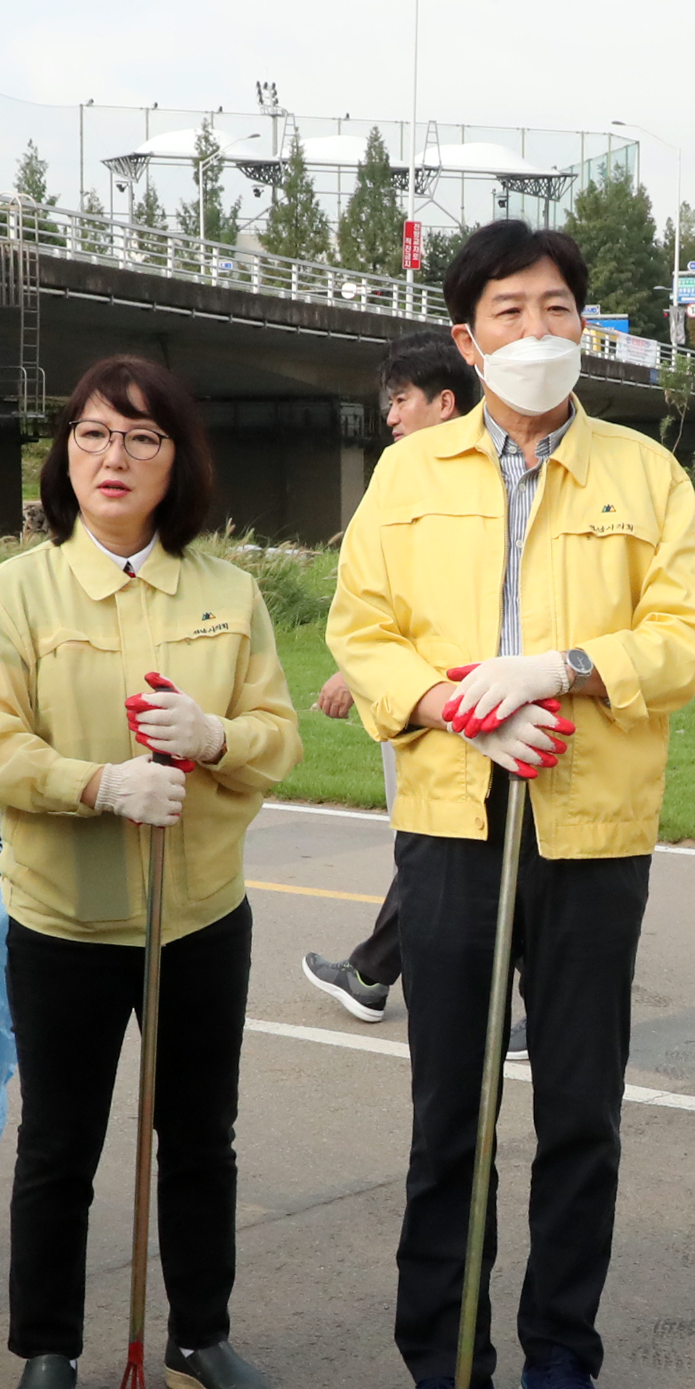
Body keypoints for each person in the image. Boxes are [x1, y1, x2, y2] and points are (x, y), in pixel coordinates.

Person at [327, 221, 695, 1389]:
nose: (536, 333)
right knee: (449, 1109)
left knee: (579, 1106)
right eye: (508, 311)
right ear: (466, 335)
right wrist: (455, 703)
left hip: (591, 824)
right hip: (452, 814)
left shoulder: (643, 472)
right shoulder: (410, 472)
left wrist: (561, 668)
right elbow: (361, 627)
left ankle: (561, 1355)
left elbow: (689, 633)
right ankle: (445, 1374)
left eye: (557, 309)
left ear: (584, 327)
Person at [0, 356, 301, 1389]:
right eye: (95, 436)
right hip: (64, 922)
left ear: (179, 461)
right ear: (65, 455)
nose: (115, 458)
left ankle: (199, 1333)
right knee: (60, 1144)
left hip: (200, 914)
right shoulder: (16, 593)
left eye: (142, 438)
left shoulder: (226, 592)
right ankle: (47, 1348)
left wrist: (218, 740)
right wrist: (95, 783)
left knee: (200, 1135)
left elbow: (279, 737)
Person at [302, 332, 481, 1029]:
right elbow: (385, 600)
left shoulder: (471, 481)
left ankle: (377, 973)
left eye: (401, 399)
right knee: (444, 848)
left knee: (452, 847)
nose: (390, 417)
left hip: (457, 707)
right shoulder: (410, 478)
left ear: (444, 401)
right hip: (422, 698)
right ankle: (374, 971)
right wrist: (360, 664)